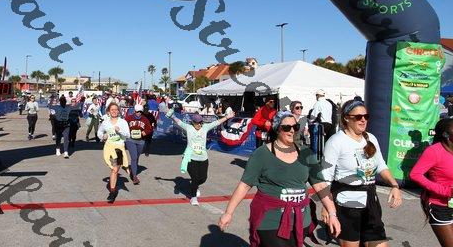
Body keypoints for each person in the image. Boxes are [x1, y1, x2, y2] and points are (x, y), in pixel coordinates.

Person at [218, 111, 341, 247]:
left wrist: (332, 213)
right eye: (287, 127)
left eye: (295, 127)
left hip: (301, 221)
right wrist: (228, 213)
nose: (292, 131)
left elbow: (320, 185)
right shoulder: (261, 154)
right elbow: (244, 185)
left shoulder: (306, 153)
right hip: (271, 222)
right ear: (277, 129)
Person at [321, 99, 402, 247]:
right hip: (347, 202)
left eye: (366, 116)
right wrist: (327, 207)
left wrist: (394, 185)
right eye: (358, 117)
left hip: (370, 201)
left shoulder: (371, 138)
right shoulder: (336, 141)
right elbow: (325, 178)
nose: (363, 120)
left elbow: (381, 166)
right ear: (347, 118)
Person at [167, 109, 235, 205]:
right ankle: (193, 197)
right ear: (193, 122)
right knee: (195, 178)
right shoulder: (188, 128)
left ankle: (194, 186)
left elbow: (216, 122)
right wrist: (172, 116)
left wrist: (227, 117)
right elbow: (179, 122)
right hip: (190, 158)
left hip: (203, 158)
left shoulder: (205, 127)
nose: (199, 124)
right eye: (197, 123)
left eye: (200, 122)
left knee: (203, 178)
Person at [410, 117, 453, 247]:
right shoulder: (434, 151)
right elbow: (415, 174)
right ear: (446, 134)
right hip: (439, 206)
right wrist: (445, 191)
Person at [97, 102, 130, 203]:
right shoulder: (105, 123)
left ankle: (112, 192)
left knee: (115, 170)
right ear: (108, 112)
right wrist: (103, 136)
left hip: (119, 149)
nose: (114, 111)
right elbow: (99, 132)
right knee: (113, 169)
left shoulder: (123, 122)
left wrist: (119, 131)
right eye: (112, 110)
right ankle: (113, 188)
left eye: (116, 109)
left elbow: (128, 135)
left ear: (119, 111)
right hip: (109, 148)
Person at [124, 104, 153, 185]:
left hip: (141, 141)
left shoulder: (145, 119)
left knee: (137, 157)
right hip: (130, 140)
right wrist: (127, 133)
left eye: (140, 112)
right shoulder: (129, 118)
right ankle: (134, 176)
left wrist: (145, 132)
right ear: (134, 111)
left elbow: (149, 128)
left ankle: (133, 169)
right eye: (137, 112)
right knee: (134, 157)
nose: (139, 113)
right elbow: (123, 126)